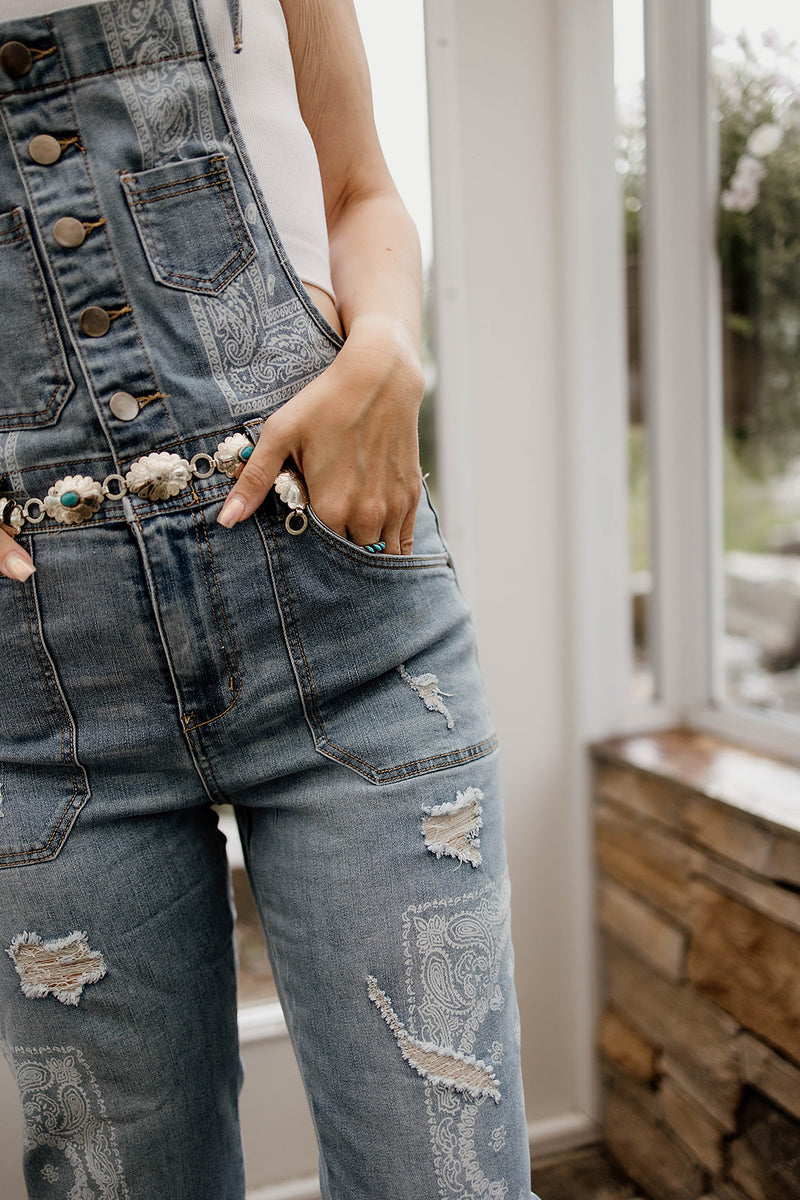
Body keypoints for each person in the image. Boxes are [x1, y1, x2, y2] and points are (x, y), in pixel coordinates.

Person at [0, 0, 541, 1196]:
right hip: (37, 705)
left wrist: (391, 349)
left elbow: (359, 189)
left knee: (442, 1178)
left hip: (345, 612)